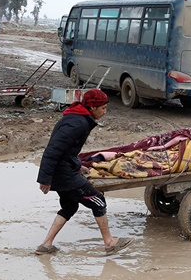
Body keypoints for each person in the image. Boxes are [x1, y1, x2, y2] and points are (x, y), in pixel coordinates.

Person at [36, 89, 134, 256]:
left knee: (70, 206)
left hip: (63, 170)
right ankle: (110, 243)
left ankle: (46, 245)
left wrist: (78, 165)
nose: (105, 112)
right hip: (64, 174)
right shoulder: (77, 124)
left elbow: (67, 151)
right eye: (102, 108)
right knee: (98, 201)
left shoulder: (77, 118)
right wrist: (44, 179)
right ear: (92, 107)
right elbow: (53, 150)